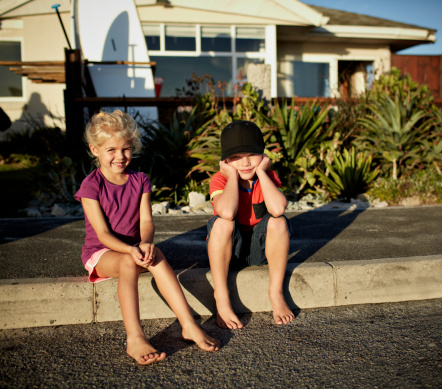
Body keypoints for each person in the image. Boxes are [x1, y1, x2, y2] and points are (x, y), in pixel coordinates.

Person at [75, 110, 219, 365]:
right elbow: (103, 234)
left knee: (157, 254)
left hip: (132, 248)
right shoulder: (91, 185)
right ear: (95, 150)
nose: (120, 157)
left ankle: (188, 323)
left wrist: (146, 243)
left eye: (126, 149)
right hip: (102, 252)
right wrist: (130, 251)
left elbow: (146, 221)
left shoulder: (140, 180)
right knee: (130, 261)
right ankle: (135, 337)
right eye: (111, 150)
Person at [207, 120, 295, 329]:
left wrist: (263, 173)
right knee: (222, 223)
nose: (245, 163)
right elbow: (226, 211)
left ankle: (276, 292)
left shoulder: (268, 177)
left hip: (261, 251)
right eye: (236, 157)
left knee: (278, 222)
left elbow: (278, 208)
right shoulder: (220, 180)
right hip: (230, 252)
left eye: (251, 155)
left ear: (263, 156)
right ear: (225, 161)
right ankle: (221, 297)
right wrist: (231, 177)